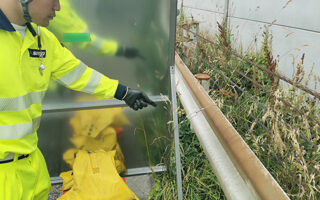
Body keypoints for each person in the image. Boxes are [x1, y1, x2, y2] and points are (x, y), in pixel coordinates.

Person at [0, 0, 156, 199]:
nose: (58, 7)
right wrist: (119, 49)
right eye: (54, 0)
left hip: (31, 167)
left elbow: (78, 70)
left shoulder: (43, 38)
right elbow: (85, 39)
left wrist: (123, 92)